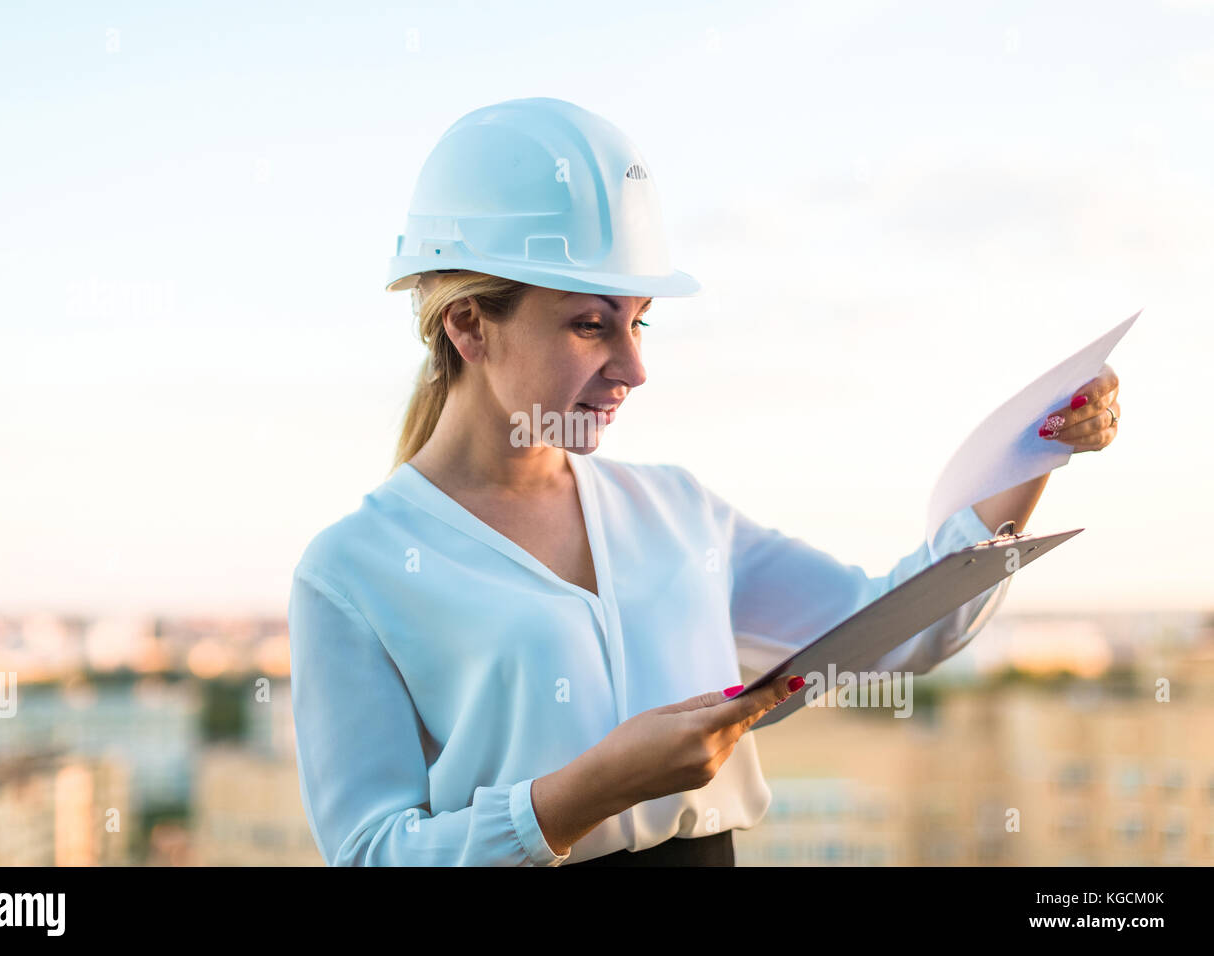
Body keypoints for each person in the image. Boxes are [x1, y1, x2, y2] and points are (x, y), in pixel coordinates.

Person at [287, 98, 1123, 867]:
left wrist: (1036, 448)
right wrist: (580, 795)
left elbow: (890, 633)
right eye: (590, 325)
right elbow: (370, 852)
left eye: (639, 321)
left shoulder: (678, 512)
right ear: (469, 323)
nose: (635, 367)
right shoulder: (355, 572)